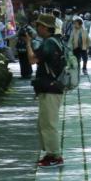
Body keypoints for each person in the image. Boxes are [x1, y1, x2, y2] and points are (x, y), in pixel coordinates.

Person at [25, 13, 65, 167]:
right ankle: (50, 154)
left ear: (44, 27)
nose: (37, 28)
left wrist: (28, 43)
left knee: (49, 123)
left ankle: (55, 156)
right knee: (44, 122)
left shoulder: (49, 43)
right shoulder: (56, 41)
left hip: (50, 89)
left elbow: (32, 59)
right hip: (52, 88)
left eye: (38, 26)